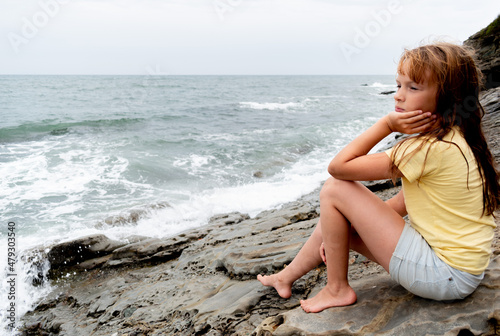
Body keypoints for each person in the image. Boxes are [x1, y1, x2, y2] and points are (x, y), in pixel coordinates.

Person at [257, 42, 500, 313]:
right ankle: (285, 277)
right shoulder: (456, 138)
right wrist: (343, 230)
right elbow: (400, 203)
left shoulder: (427, 149)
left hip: (444, 275)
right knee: (337, 217)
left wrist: (386, 125)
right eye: (399, 85)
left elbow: (338, 168)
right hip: (461, 272)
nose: (398, 96)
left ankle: (336, 289)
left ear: (447, 96)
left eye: (413, 87)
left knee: (336, 190)